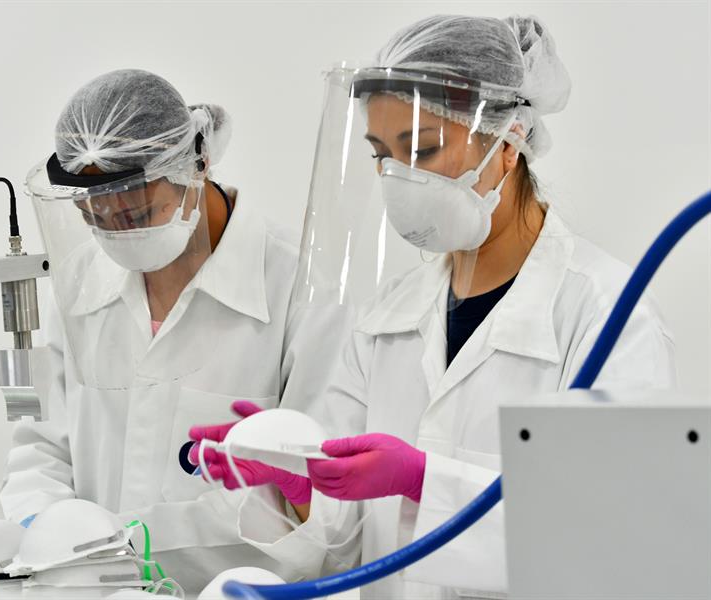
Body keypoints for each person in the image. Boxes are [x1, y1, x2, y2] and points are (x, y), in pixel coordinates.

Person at [190, 15, 676, 598]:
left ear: (509, 142)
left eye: (422, 148)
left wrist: (427, 482)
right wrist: (297, 481)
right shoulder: (388, 317)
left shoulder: (607, 316)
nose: (398, 178)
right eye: (381, 155)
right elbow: (347, 545)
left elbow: (618, 539)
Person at [0, 69, 347, 593]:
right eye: (97, 219)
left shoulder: (303, 292)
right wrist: (48, 533)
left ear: (195, 166)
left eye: (139, 213)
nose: (118, 235)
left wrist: (123, 542)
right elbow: (39, 447)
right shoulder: (77, 284)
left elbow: (320, 506)